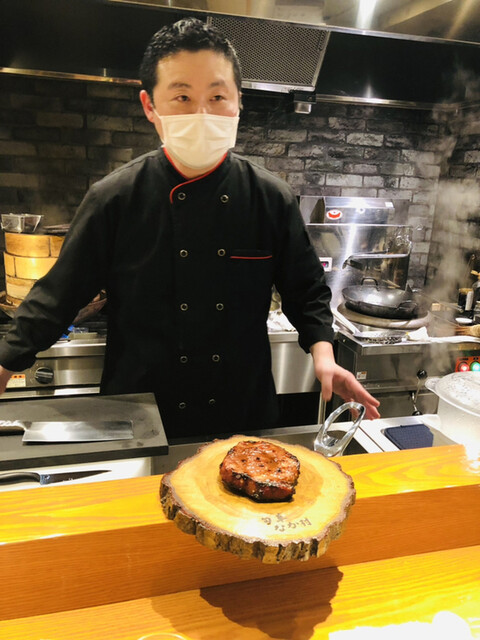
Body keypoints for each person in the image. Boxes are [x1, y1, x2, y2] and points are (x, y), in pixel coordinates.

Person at [0, 18, 379, 438]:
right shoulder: (115, 198)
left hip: (241, 412)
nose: (202, 113)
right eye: (182, 96)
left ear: (238, 102)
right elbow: (58, 297)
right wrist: (4, 363)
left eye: (217, 96)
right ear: (150, 106)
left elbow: (305, 291)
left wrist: (324, 357)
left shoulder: (270, 197)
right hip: (141, 414)